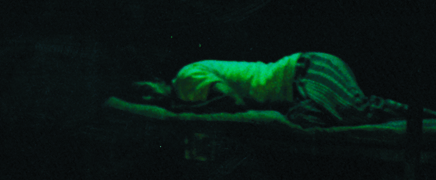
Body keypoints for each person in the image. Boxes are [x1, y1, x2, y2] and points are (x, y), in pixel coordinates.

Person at [168, 53, 412, 126]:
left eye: (148, 88)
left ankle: (427, 114)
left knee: (359, 111)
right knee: (307, 119)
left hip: (304, 72)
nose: (149, 95)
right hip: (301, 81)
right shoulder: (186, 84)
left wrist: (185, 112)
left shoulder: (184, 77)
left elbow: (232, 100)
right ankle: (421, 114)